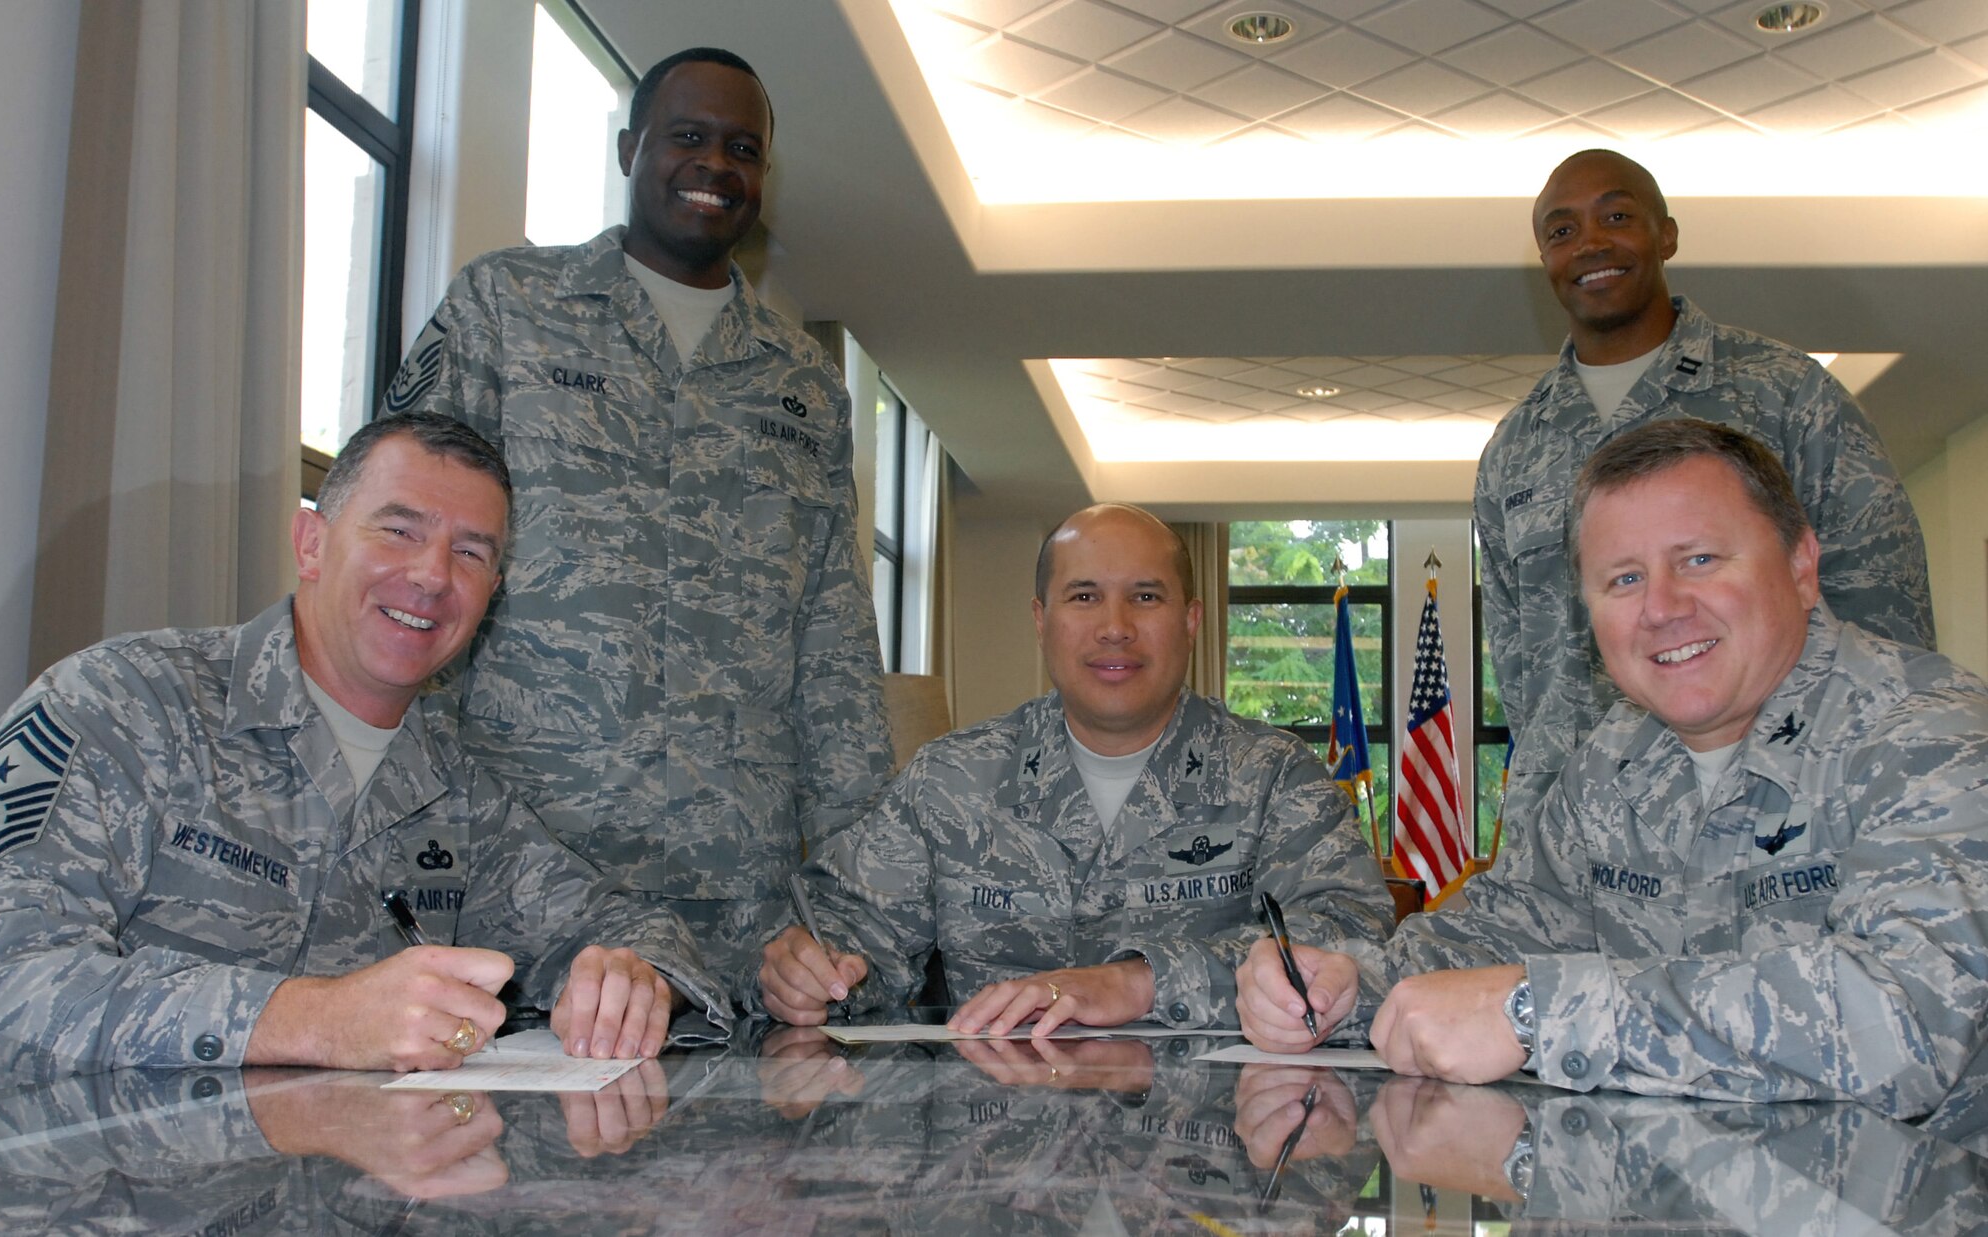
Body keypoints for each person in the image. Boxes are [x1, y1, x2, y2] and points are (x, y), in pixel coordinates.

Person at [1239, 419, 1988, 1119]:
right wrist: (1343, 983)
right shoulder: (1615, 759)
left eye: (1699, 559)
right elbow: (1500, 932)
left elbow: (1907, 1019)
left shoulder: (1928, 734)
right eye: (1623, 579)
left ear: (1801, 566)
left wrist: (1540, 1012)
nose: (1662, 607)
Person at [0, 414, 729, 1074]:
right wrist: (315, 1018)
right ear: (312, 542)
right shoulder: (122, 705)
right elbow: (6, 971)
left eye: (470, 553)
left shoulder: (460, 792)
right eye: (399, 530)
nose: (432, 576)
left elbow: (630, 928)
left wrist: (631, 977)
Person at [381, 47, 892, 985]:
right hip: (526, 859)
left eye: (742, 148)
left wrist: (856, 883)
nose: (715, 165)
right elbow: (409, 543)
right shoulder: (506, 309)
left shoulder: (803, 383)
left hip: (740, 883)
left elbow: (833, 637)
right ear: (630, 149)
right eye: (688, 136)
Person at [760, 504, 1393, 1036]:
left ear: (1191, 621)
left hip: (1207, 1147)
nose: (1115, 628)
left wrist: (1144, 982)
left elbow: (1349, 942)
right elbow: (853, 926)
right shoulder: (952, 780)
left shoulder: (1276, 778)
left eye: (1145, 597)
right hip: (999, 1155)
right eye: (1084, 597)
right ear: (1041, 620)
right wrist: (815, 970)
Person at [1476, 148, 1933, 837]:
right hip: (1574, 829)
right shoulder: (1514, 448)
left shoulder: (1784, 394)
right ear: (1543, 260)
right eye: (1562, 231)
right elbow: (1518, 663)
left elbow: (1881, 610)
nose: (1591, 243)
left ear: (1667, 234)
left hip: (1767, 813)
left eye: (1617, 216)